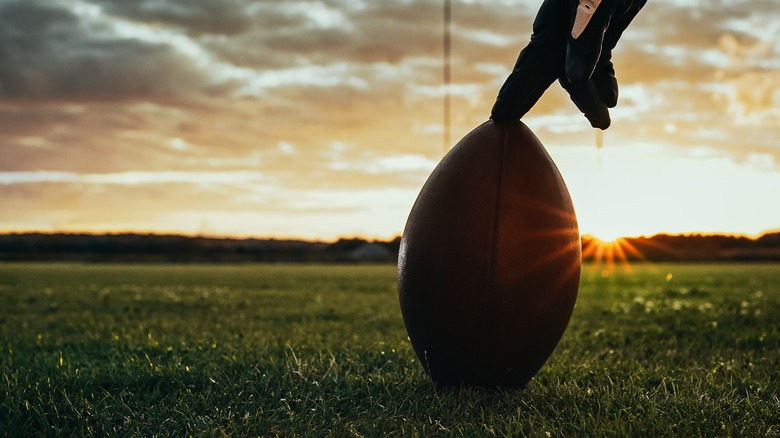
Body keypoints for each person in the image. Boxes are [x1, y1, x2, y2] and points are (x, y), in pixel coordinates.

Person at [490, 0, 647, 129]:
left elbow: (612, 33)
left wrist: (601, 53)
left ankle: (575, 61)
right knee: (503, 113)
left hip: (585, 27)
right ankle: (568, 63)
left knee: (602, 94)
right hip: (554, 35)